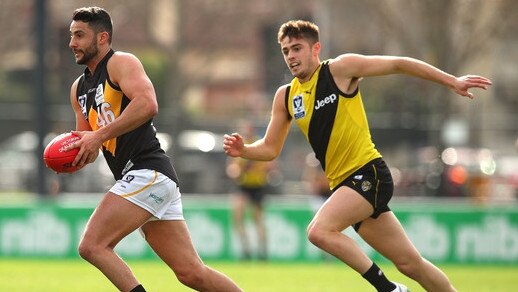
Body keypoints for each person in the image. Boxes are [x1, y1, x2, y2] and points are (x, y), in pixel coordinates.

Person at [223, 19, 492, 292]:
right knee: (411, 264)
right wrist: (244, 149)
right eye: (285, 51)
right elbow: (270, 148)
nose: (291, 56)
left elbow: (398, 63)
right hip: (347, 187)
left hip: (369, 173)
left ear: (316, 48)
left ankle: (388, 289)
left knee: (318, 231)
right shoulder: (286, 96)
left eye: (297, 48)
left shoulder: (339, 69)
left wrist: (452, 81)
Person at [66, 7, 242, 292]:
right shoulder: (78, 89)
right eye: (71, 35)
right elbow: (89, 143)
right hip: (143, 178)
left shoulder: (121, 63)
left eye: (79, 35)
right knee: (191, 274)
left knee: (92, 245)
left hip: (147, 172)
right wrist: (71, 158)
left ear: (102, 38)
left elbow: (148, 104)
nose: (72, 42)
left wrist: (97, 136)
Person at [226, 121, 274, 260]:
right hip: (242, 186)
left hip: (257, 186)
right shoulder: (241, 147)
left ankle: (262, 252)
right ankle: (246, 251)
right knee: (238, 217)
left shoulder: (258, 145)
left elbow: (270, 166)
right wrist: (237, 173)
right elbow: (232, 169)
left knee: (257, 219)